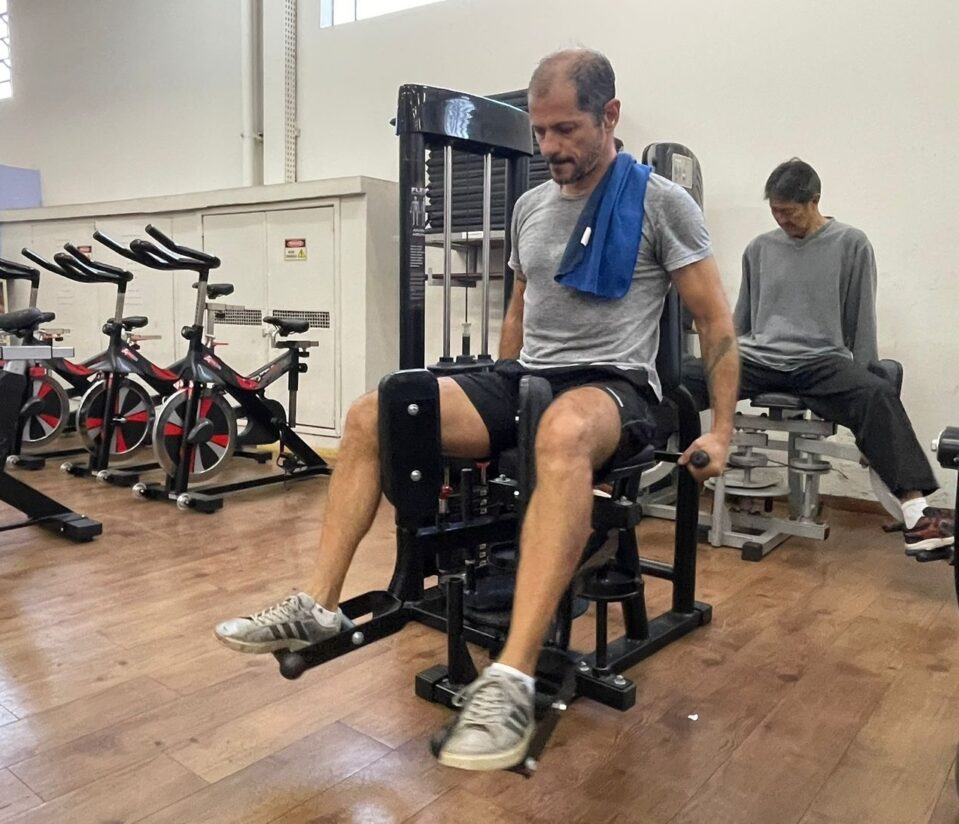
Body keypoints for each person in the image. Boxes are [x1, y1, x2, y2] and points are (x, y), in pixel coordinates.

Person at [214, 48, 739, 771]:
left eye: (565, 130)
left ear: (609, 116)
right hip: (528, 376)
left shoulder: (660, 203)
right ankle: (318, 604)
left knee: (559, 430)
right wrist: (497, 395)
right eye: (540, 131)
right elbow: (520, 313)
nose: (549, 147)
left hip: (617, 388)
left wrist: (721, 428)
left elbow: (715, 323)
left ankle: (513, 677)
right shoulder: (529, 206)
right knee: (376, 412)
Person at [681, 158, 953, 555]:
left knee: (876, 395)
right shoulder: (759, 248)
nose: (782, 220)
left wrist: (863, 372)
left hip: (820, 361)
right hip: (760, 357)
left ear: (815, 201)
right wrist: (722, 359)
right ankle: (611, 480)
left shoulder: (851, 243)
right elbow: (742, 321)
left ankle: (917, 514)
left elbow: (861, 317)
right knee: (676, 378)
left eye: (789, 212)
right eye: (775, 212)